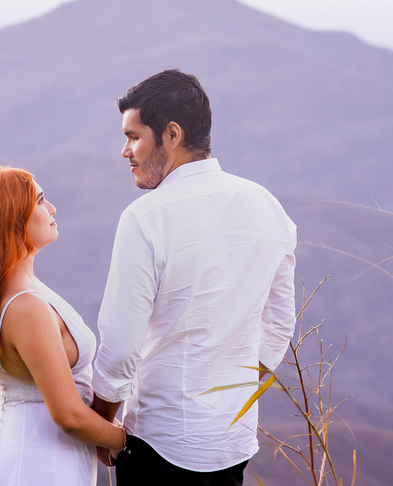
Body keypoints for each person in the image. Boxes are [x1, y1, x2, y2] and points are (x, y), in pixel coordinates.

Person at [92, 70, 298, 486]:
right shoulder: (267, 207)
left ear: (171, 134)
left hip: (157, 443)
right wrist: (227, 390)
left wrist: (98, 426)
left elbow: (120, 348)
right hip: (231, 442)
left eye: (134, 137)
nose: (125, 151)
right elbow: (278, 327)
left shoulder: (145, 218)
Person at [0, 165, 126, 486]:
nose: (52, 209)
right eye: (41, 200)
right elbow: (69, 415)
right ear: (12, 219)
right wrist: (129, 444)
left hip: (33, 451)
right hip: (34, 463)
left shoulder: (15, 291)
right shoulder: (26, 306)